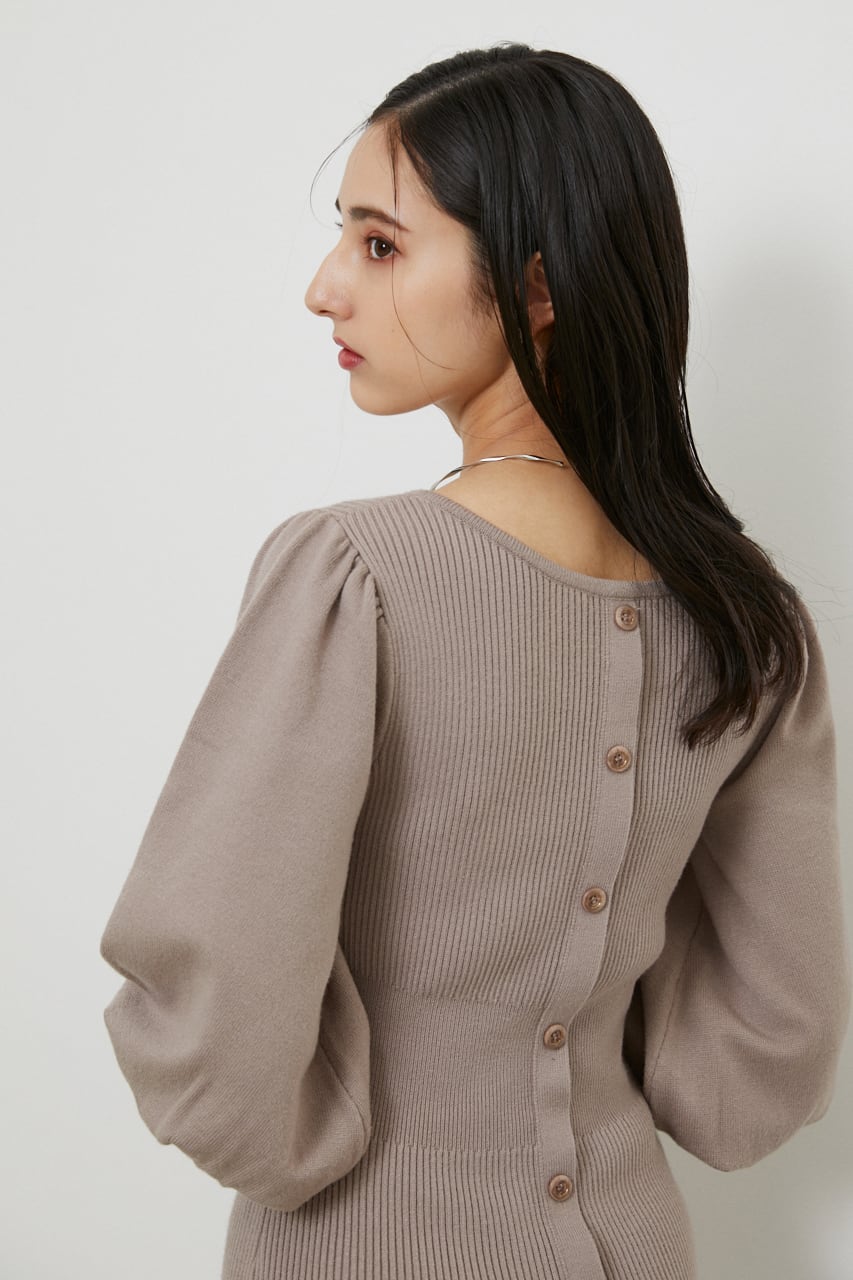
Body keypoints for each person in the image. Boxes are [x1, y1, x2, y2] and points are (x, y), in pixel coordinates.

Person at [99, 43, 851, 1280]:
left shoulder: (356, 577)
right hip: (634, 1240)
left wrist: (294, 1148)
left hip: (369, 1241)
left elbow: (213, 1003)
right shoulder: (747, 624)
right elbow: (765, 1051)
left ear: (535, 284)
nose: (324, 289)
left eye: (380, 244)